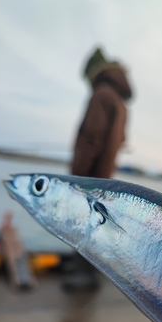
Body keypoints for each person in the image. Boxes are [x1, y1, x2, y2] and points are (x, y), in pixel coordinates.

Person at [62, 47, 133, 291]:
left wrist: (76, 174)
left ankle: (85, 274)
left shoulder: (101, 95)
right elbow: (121, 140)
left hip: (89, 176)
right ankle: (84, 267)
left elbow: (90, 136)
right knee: (95, 221)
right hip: (105, 176)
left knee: (84, 221)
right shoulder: (120, 103)